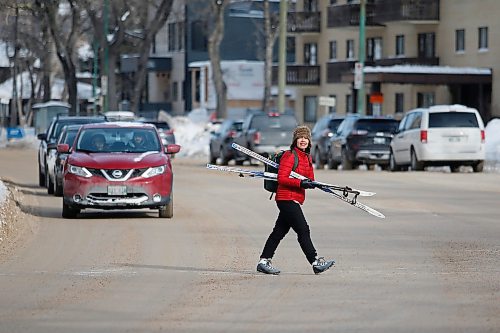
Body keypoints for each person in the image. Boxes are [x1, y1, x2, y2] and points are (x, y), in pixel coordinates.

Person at [257, 126, 335, 275]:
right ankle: (315, 261)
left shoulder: (307, 158)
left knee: (279, 232)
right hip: (286, 198)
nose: (303, 140)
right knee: (303, 229)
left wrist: (310, 183)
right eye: (300, 137)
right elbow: (282, 178)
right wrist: (301, 183)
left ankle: (264, 261)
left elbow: (310, 178)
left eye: (306, 138)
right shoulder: (290, 156)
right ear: (295, 140)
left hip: (295, 198)